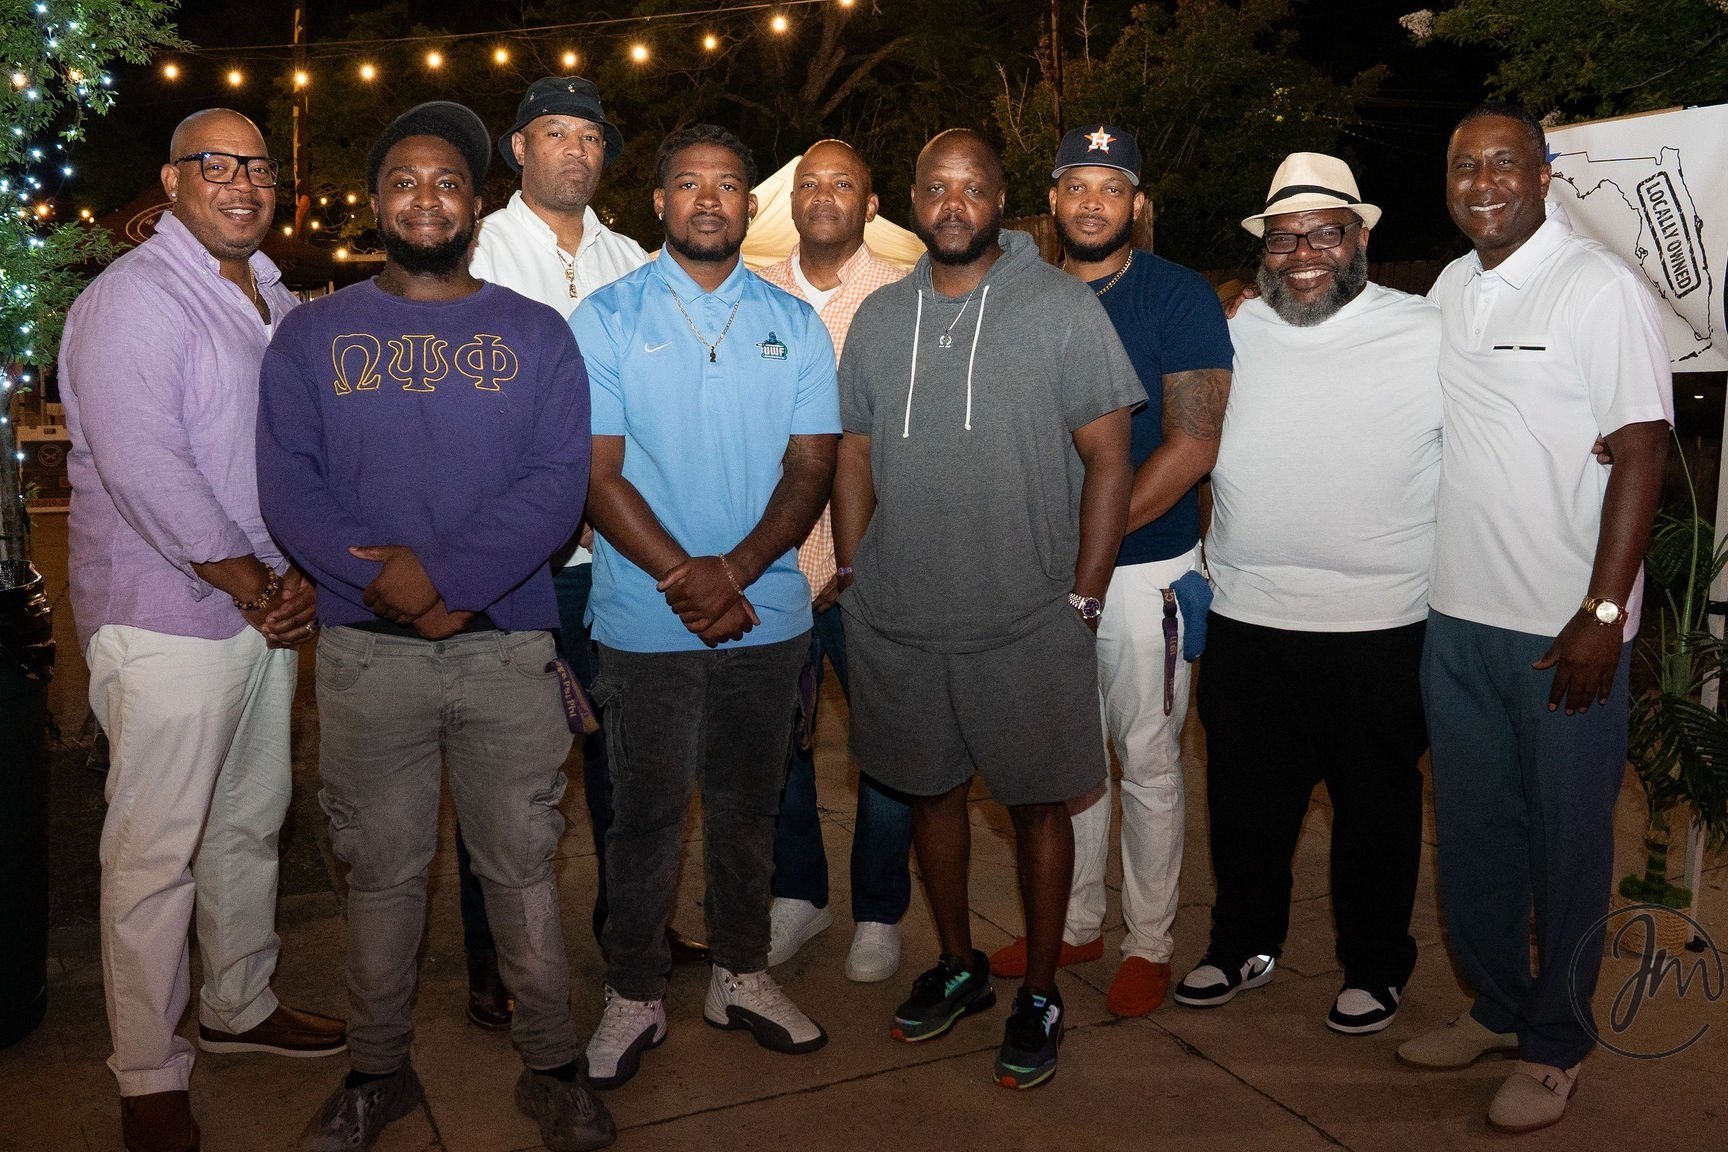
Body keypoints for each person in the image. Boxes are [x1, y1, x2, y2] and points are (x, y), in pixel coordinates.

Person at [255, 101, 613, 1152]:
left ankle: (552, 1066)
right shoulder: (310, 335)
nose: (426, 197)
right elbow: (291, 489)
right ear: (376, 203)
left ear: (475, 201)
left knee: (523, 868)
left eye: (447, 181)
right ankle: (378, 1072)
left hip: (505, 650)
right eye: (404, 181)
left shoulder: (535, 333)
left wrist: (448, 582)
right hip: (370, 658)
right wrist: (404, 591)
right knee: (382, 875)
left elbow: (557, 491)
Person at [58, 107, 344, 1152]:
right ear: (171, 182)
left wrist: (294, 573)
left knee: (248, 819)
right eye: (215, 164)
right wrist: (257, 581)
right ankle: (146, 1072)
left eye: (259, 166)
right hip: (172, 616)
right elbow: (148, 472)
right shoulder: (133, 301)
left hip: (259, 609)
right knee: (154, 850)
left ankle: (239, 1004)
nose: (242, 181)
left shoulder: (266, 292)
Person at [834, 128, 1140, 1089]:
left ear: (1005, 200)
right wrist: (853, 574)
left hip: (1027, 617)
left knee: (1038, 806)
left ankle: (1040, 988)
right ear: (912, 201)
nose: (953, 204)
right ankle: (961, 960)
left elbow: (1110, 458)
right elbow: (852, 453)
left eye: (973, 188)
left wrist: (1083, 595)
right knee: (929, 794)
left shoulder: (1061, 310)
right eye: (937, 187)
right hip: (902, 616)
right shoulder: (881, 319)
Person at [1397, 104, 1672, 1134]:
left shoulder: (1597, 287)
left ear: (1545, 175)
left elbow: (1639, 450)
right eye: (1463, 164)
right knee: (1472, 839)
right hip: (1456, 616)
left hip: (1564, 631)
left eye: (1503, 163)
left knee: (1565, 847)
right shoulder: (1452, 288)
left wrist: (1605, 611)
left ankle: (1555, 1046)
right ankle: (1497, 1007)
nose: (1482, 182)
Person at [571, 123, 836, 1090]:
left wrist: (741, 569)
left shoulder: (793, 322)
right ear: (659, 203)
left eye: (729, 185)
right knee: (640, 816)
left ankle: (739, 972)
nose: (712, 200)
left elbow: (813, 462)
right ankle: (635, 990)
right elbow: (595, 476)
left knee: (745, 810)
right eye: (690, 185)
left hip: (769, 616)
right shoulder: (603, 318)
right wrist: (693, 578)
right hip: (646, 620)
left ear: (749, 204)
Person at [1169, 153, 1439, 1038]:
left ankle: (1374, 966)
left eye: (1326, 233)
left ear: (1360, 239)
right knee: (1245, 808)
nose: (1303, 253)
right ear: (1264, 251)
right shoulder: (1232, 332)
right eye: (1283, 238)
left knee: (1377, 812)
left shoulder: (1426, 329)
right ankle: (1241, 946)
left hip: (1384, 625)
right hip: (1250, 619)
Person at [463, 74, 705, 1033]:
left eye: (590, 136)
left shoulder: (630, 258)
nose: (573, 150)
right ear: (517, 149)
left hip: (620, 559)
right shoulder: (477, 247)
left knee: (633, 765)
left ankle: (631, 932)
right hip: (515, 564)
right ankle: (492, 956)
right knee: (506, 772)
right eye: (552, 133)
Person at [989, 124, 1232, 1019]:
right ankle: (1079, 921)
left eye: (1112, 187)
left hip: (1142, 569)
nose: (1092, 203)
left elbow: (1194, 443)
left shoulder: (1177, 294)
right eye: (1076, 186)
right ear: (1051, 202)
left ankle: (1151, 940)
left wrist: (1083, 546)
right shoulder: (1024, 295)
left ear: (1137, 204)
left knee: (1148, 759)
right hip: (1042, 576)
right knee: (1065, 762)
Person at [757, 139, 915, 984]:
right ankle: (799, 895)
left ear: (872, 202)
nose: (823, 196)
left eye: (842, 183)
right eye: (810, 183)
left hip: (875, 574)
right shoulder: (751, 298)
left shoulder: (903, 301)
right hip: (777, 568)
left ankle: (881, 909)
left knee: (886, 747)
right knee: (777, 748)